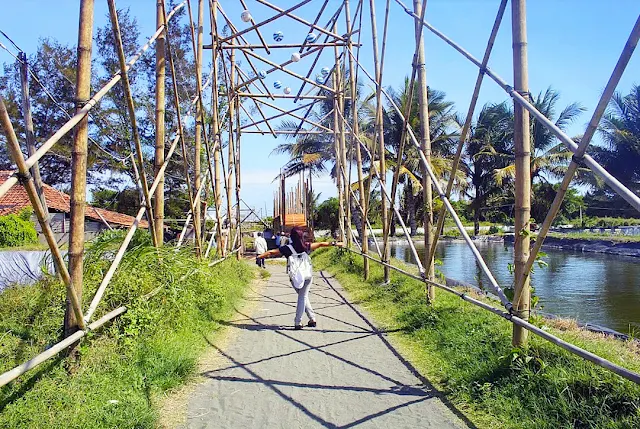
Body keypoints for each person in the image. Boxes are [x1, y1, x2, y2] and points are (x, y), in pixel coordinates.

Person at [257, 226, 342, 330]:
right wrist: (337, 243)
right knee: (303, 296)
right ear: (302, 236)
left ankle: (298, 322)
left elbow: (271, 252)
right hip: (307, 275)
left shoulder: (287, 248)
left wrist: (259, 257)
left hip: (295, 277)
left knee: (302, 296)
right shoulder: (306, 246)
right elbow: (321, 244)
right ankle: (312, 318)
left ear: (291, 237)